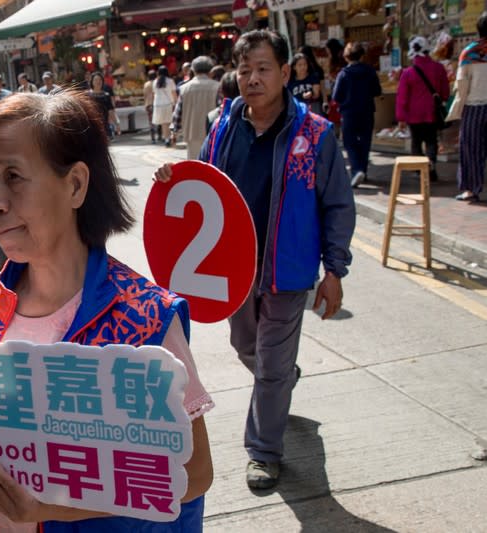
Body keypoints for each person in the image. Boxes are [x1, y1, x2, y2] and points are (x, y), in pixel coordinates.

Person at [0, 90, 215, 531]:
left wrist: (47, 509)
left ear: (75, 184)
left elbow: (193, 473)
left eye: (13, 177)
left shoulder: (145, 320)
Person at [155, 29, 355, 490]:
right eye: (245, 70)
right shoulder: (223, 127)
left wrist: (334, 271)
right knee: (248, 349)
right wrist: (172, 178)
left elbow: (339, 205)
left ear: (285, 73)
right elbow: (203, 181)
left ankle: (263, 452)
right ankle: (283, 380)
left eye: (264, 69)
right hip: (233, 272)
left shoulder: (315, 135)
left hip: (287, 273)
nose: (253, 78)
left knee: (267, 365)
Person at [395, 36, 450, 183]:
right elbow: (445, 91)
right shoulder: (438, 68)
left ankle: (420, 171)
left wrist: (401, 117)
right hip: (432, 112)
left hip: (414, 115)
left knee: (416, 142)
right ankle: (431, 166)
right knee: (432, 140)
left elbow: (402, 97)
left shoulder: (408, 72)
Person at [448, 11, 487, 202]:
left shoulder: (470, 52)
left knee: (471, 149)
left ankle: (471, 189)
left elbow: (461, 84)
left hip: (474, 106)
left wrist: (457, 105)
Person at [332, 41, 382, 187]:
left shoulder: (344, 74)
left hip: (349, 112)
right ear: (362, 56)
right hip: (367, 111)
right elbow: (377, 91)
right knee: (365, 142)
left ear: (347, 57)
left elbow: (336, 95)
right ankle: (363, 170)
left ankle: (356, 170)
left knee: (350, 142)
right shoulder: (370, 71)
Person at [170, 55, 221, 159]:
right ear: (210, 70)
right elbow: (221, 110)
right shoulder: (217, 87)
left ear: (193, 70)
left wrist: (174, 132)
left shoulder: (184, 88)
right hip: (213, 133)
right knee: (212, 165)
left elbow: (177, 113)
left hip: (191, 133)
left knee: (195, 166)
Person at [87, 72, 119, 139]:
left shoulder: (106, 95)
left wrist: (117, 124)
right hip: (92, 126)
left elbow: (111, 111)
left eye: (100, 80)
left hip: (105, 125)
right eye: (95, 80)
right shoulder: (87, 95)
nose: (98, 82)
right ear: (92, 82)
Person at [152, 65, 177, 146]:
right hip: (168, 104)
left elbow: (154, 93)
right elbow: (174, 93)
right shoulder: (170, 81)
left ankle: (166, 139)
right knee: (170, 122)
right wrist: (176, 102)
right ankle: (171, 137)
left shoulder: (155, 82)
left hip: (158, 104)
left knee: (163, 123)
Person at [324, 38, 346, 131]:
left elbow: (337, 76)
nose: (327, 52)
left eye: (328, 50)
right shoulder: (336, 59)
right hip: (337, 91)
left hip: (339, 92)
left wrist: (331, 78)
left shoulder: (340, 60)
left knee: (337, 115)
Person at [143, 69, 159, 143]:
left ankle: (153, 138)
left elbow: (145, 95)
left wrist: (145, 104)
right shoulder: (157, 83)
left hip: (149, 104)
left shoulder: (146, 84)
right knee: (159, 120)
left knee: (151, 122)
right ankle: (160, 135)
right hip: (156, 103)